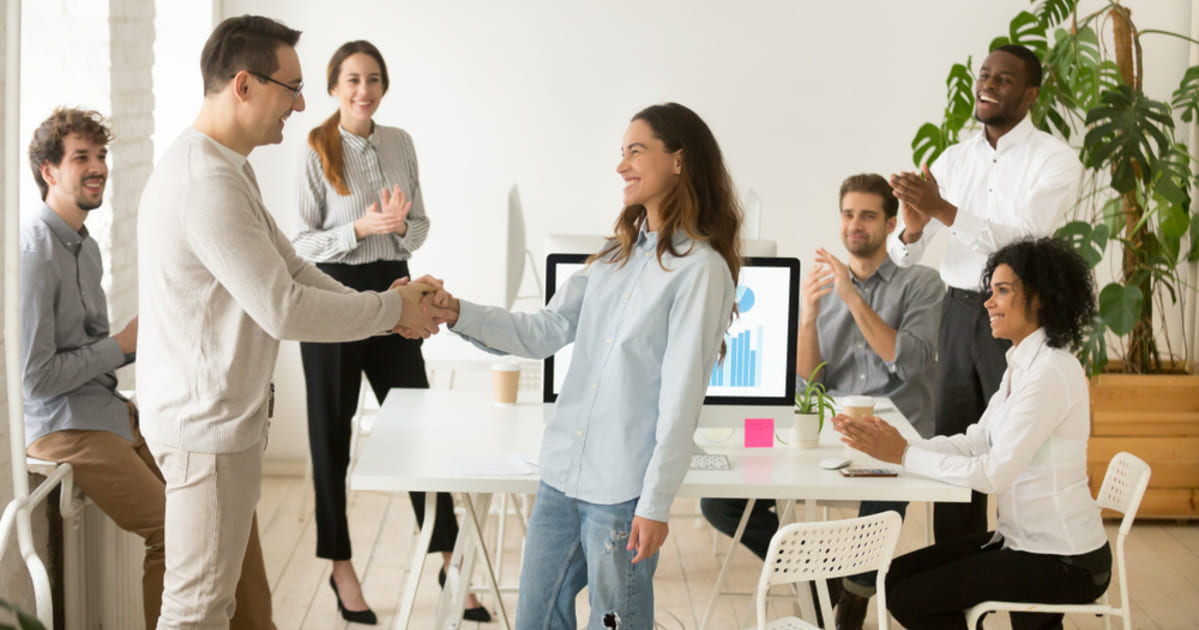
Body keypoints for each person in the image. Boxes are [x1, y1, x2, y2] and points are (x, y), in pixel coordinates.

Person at [137, 16, 444, 628]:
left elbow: (293, 269)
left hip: (223, 421)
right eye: (292, 87)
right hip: (206, 428)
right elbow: (284, 306)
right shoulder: (206, 182)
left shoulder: (228, 167)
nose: (302, 104)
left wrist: (391, 312)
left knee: (216, 603)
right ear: (245, 85)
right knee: (196, 609)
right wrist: (392, 309)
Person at [426, 102, 739, 630]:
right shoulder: (613, 257)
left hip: (623, 496)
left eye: (636, 152)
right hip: (561, 479)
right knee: (535, 620)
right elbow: (541, 331)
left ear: (679, 161)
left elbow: (681, 400)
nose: (622, 166)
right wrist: (456, 310)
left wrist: (656, 504)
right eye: (622, 154)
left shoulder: (700, 271)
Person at [20, 107, 275, 630]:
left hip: (109, 410)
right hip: (64, 427)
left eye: (101, 156)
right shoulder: (34, 254)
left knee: (230, 511)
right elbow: (34, 379)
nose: (97, 168)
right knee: (176, 533)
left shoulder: (85, 247)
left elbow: (102, 350)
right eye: (80, 158)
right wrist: (122, 345)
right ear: (48, 171)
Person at [291, 40, 486, 624]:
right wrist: (359, 228)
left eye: (373, 79)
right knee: (331, 433)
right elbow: (300, 244)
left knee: (416, 425)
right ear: (333, 86)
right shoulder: (314, 148)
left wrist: (399, 229)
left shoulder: (400, 143)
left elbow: (420, 225)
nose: (363, 90)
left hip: (394, 287)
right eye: (352, 79)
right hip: (330, 293)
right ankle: (339, 565)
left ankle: (449, 558)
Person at [700, 173, 943, 630]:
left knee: (883, 486)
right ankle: (821, 578)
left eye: (868, 215)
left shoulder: (921, 284)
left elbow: (908, 362)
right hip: (829, 433)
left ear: (891, 224)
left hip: (896, 434)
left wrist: (853, 299)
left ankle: (854, 595)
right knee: (719, 503)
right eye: (848, 214)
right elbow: (805, 387)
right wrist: (808, 319)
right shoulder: (820, 285)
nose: (856, 225)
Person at [834, 237, 1111, 630]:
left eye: (1002, 291)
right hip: (1020, 542)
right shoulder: (1021, 364)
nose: (988, 303)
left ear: (1040, 298)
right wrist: (899, 443)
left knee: (910, 598)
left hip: (1063, 559)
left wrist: (903, 455)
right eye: (990, 290)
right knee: (895, 579)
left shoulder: (1050, 372)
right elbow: (975, 441)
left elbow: (994, 474)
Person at [887, 44, 1084, 542]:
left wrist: (945, 210)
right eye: (986, 75)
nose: (989, 85)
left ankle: (1028, 566)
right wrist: (912, 227)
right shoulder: (952, 160)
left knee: (1021, 450)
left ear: (1031, 93)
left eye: (1005, 79)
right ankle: (954, 576)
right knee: (956, 437)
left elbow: (1024, 240)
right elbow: (906, 253)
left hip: (1018, 315)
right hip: (956, 314)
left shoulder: (1055, 160)